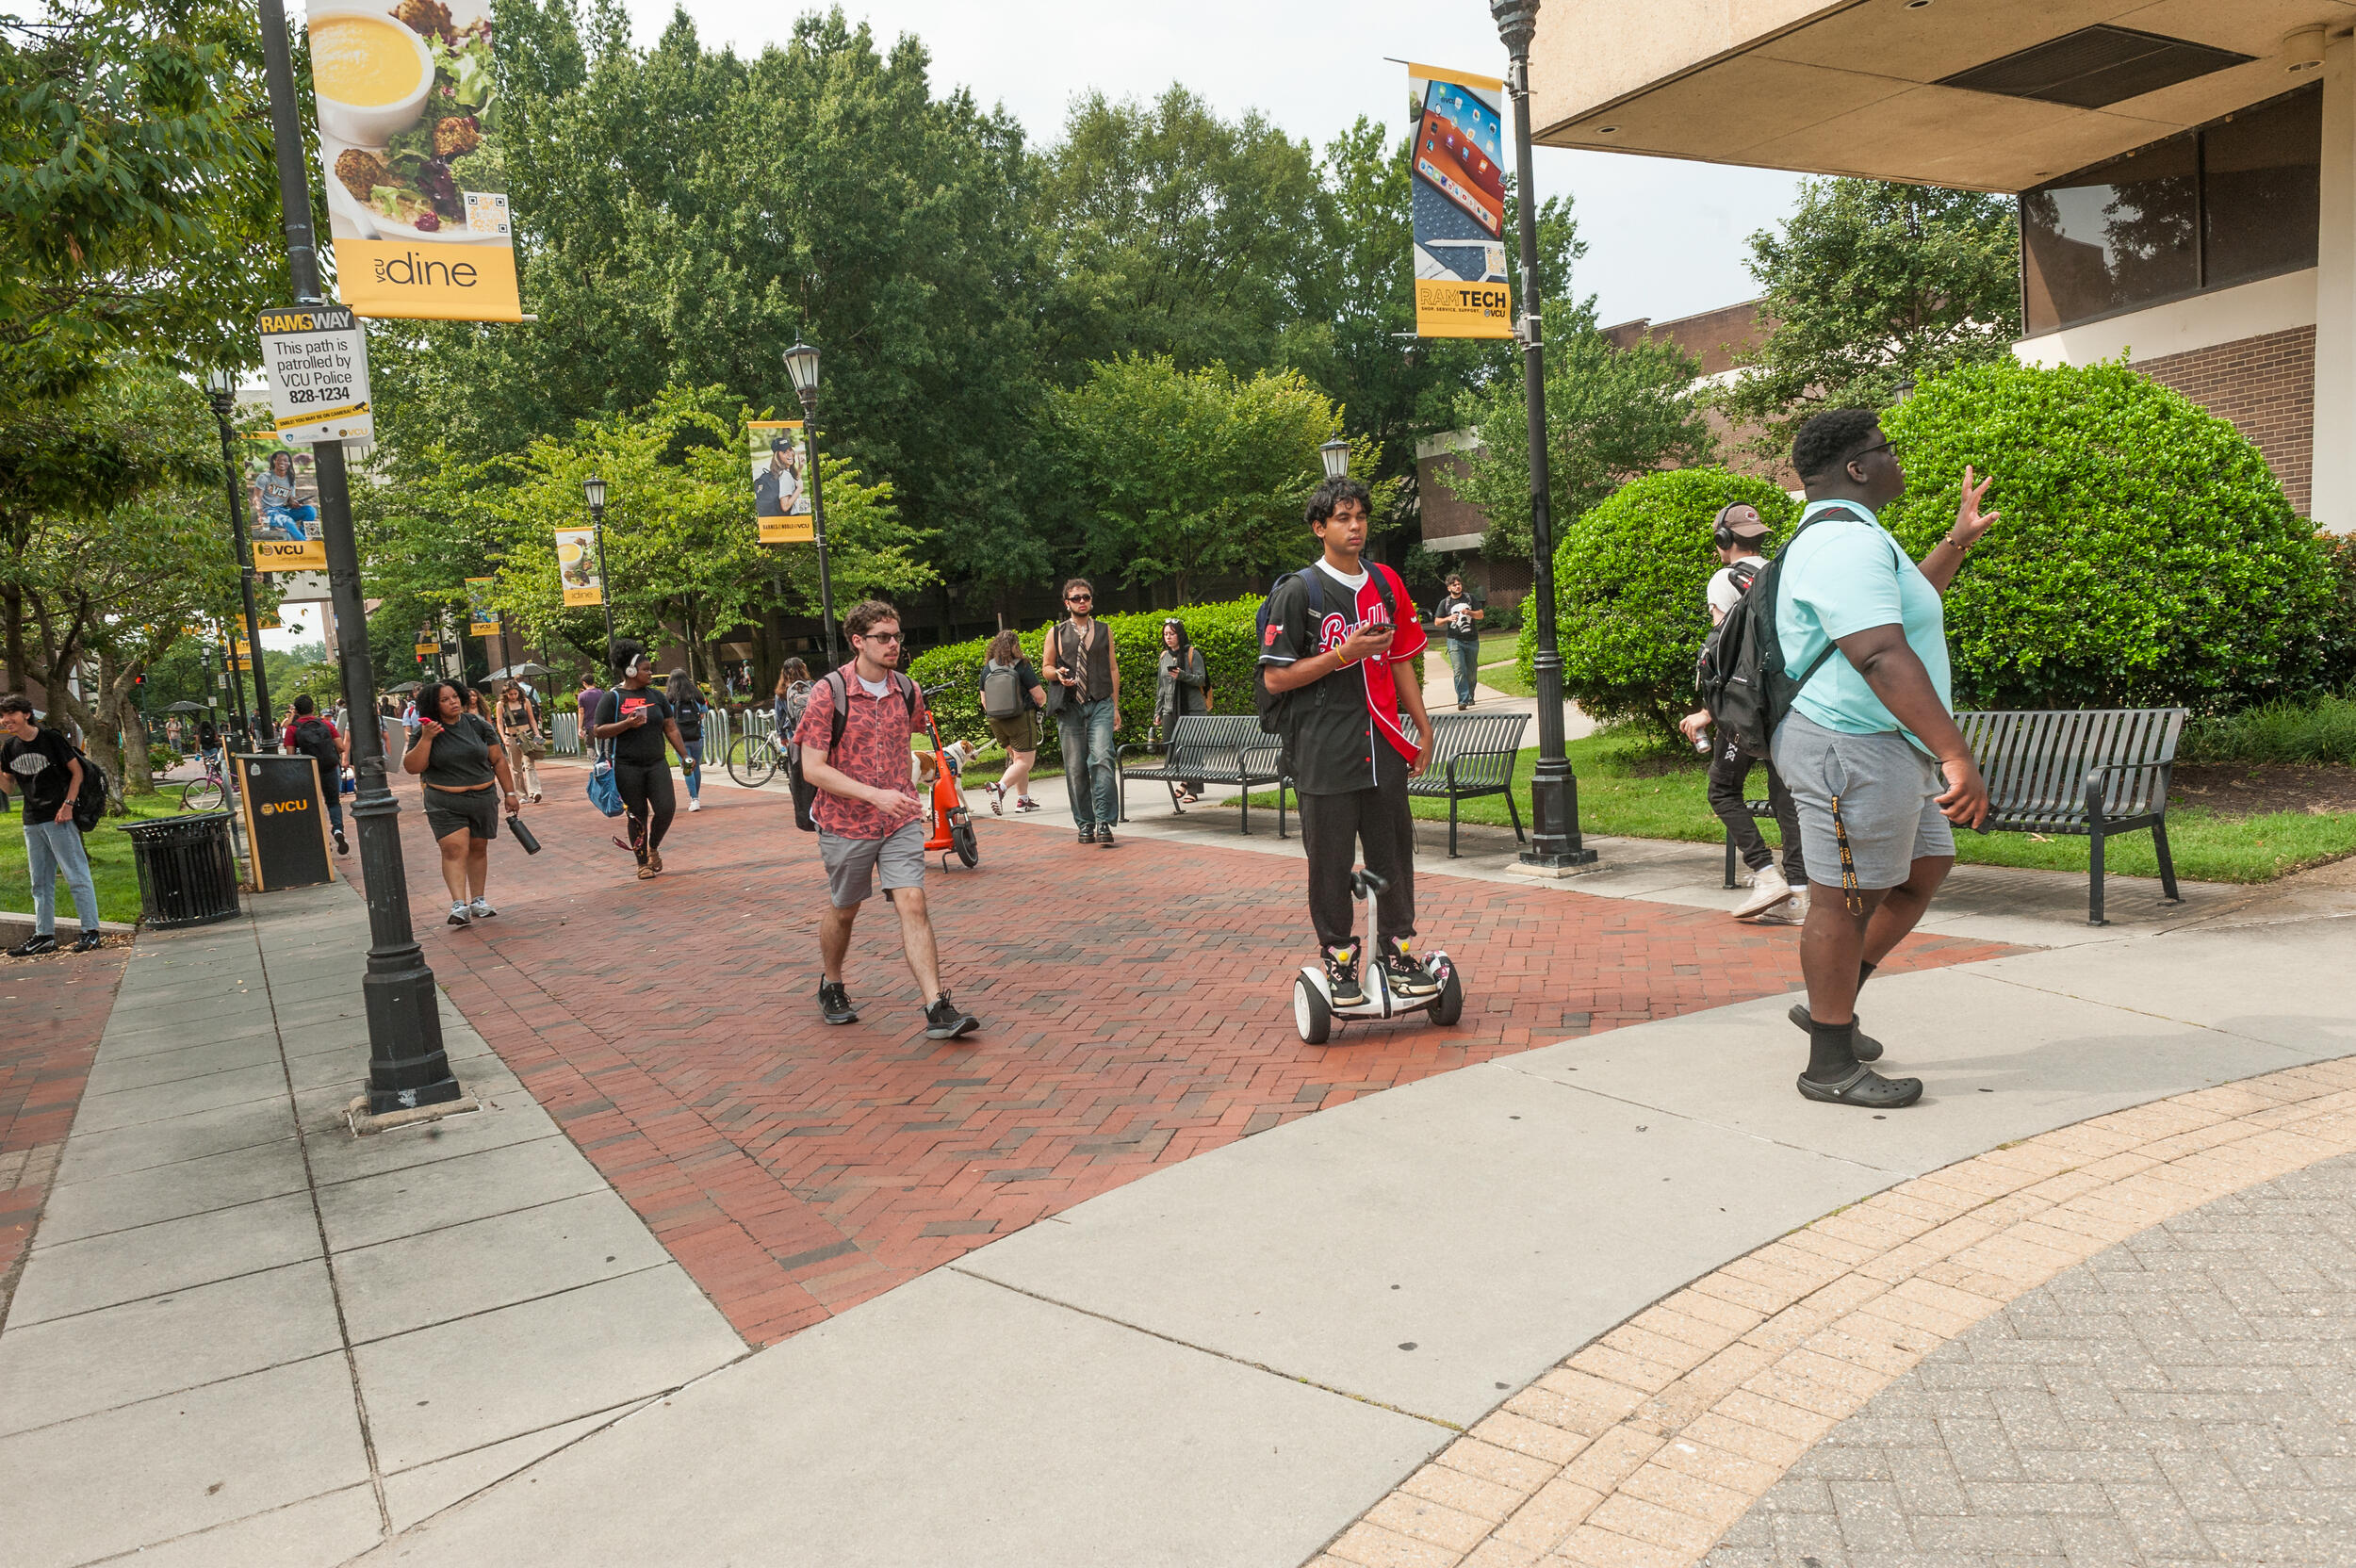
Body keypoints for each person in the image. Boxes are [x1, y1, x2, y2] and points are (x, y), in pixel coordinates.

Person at [1774, 407, 1998, 1111]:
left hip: (1882, 746)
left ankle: (1832, 999)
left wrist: (1955, 543)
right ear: (1856, 467)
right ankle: (1830, 1065)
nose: (1897, 459)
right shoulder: (1842, 544)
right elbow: (1876, 651)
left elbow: (1908, 607)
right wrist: (1956, 754)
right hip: (1848, 745)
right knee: (1844, 899)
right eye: (1886, 449)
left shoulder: (1862, 536)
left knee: (1922, 868)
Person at [1259, 476, 1438, 1009]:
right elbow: (1275, 679)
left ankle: (1400, 952)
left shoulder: (1386, 584)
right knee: (1331, 863)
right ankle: (1338, 958)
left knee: (1393, 854)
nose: (1355, 525)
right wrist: (1345, 653)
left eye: (1360, 516)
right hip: (1322, 750)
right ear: (1320, 528)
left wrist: (1422, 727)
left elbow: (1402, 658)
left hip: (1382, 744)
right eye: (1342, 518)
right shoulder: (1299, 591)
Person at [792, 599, 979, 1040]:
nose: (894, 644)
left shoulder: (907, 690)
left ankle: (937, 1006)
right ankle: (832, 984)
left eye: (897, 636)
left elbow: (905, 743)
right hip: (845, 823)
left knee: (913, 902)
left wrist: (906, 790)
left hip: (898, 823)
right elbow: (812, 768)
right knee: (845, 910)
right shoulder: (828, 692)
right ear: (858, 642)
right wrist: (873, 794)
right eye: (883, 637)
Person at [1677, 504, 1808, 921]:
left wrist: (1707, 713)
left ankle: (1767, 876)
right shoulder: (1779, 574)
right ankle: (1801, 896)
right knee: (1784, 797)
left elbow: (1728, 659)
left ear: (1723, 541)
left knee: (1722, 789)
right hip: (1787, 708)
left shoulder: (1724, 580)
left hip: (1744, 714)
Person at [401, 679, 520, 925]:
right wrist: (427, 738)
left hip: (482, 797)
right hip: (444, 800)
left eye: (454, 696)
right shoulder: (426, 730)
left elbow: (498, 760)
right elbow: (413, 767)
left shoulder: (477, 724)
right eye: (444, 700)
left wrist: (510, 793)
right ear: (433, 706)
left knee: (478, 848)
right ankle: (459, 904)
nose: (452, 702)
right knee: (454, 849)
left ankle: (478, 900)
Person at [0, 695, 102, 956]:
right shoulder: (9, 748)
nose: (4, 720)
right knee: (40, 882)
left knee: (76, 875)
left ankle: (90, 932)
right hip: (32, 820)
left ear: (26, 714)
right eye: (2, 716)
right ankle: (44, 935)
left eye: (9, 714)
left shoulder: (51, 740)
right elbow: (9, 787)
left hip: (59, 817)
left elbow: (77, 772)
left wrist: (68, 804)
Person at [590, 642, 691, 878]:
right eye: (646, 669)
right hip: (627, 766)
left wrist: (685, 755)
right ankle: (642, 862)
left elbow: (671, 727)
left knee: (666, 808)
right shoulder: (612, 698)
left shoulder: (656, 696)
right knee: (637, 814)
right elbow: (598, 730)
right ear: (631, 671)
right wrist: (626, 724)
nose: (650, 673)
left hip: (657, 763)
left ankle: (653, 846)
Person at [1039, 577, 1120, 847]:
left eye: (1086, 597)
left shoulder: (1104, 629)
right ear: (1067, 603)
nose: (1082, 602)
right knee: (1075, 767)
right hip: (1070, 706)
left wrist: (1115, 706)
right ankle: (1085, 823)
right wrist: (1057, 675)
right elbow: (1046, 667)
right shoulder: (1056, 632)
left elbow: (1112, 669)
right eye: (1076, 598)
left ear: (1091, 600)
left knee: (1102, 759)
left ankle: (1104, 821)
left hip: (1100, 702)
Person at [976, 630, 1045, 815]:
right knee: (1025, 762)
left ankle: (1023, 800)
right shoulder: (1022, 666)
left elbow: (984, 702)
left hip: (997, 722)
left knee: (1017, 761)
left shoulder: (987, 669)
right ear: (1015, 646)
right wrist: (1042, 704)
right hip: (1021, 719)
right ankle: (1000, 788)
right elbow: (1039, 695)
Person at [281, 694, 352, 855]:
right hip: (329, 766)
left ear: (296, 710)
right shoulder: (326, 724)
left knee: (312, 803)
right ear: (313, 708)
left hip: (307, 770)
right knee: (333, 802)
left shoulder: (293, 729)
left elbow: (290, 755)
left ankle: (319, 838)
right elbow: (341, 747)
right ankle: (338, 830)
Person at [1153, 617, 1209, 802]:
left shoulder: (1192, 654)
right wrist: (1158, 712)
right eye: (1165, 634)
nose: (1168, 637)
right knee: (1172, 746)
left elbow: (1202, 679)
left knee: (1193, 749)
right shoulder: (1164, 656)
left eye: (1172, 634)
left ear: (1180, 634)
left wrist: (1183, 676)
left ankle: (1193, 789)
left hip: (1193, 709)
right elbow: (1161, 686)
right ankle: (1184, 779)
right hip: (1170, 709)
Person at [1432, 573, 1484, 710]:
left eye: (1459, 584)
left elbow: (1481, 615)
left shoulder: (1470, 598)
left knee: (1472, 672)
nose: (1457, 586)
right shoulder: (1445, 603)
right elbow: (1437, 622)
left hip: (1472, 640)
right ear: (1449, 588)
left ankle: (1470, 696)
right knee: (1459, 670)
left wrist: (1469, 612)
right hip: (1454, 641)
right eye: (1454, 585)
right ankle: (1462, 700)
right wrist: (1448, 619)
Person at [665, 669, 708, 811]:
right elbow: (703, 713)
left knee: (687, 767)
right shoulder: (696, 695)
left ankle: (694, 798)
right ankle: (697, 797)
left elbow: (668, 718)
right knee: (696, 766)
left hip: (680, 739)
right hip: (697, 735)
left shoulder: (670, 697)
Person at [252, 449, 318, 540]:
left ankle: (302, 537)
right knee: (287, 520)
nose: (282, 462)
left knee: (311, 510)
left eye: (285, 460)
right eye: (279, 460)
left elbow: (290, 500)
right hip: (269, 512)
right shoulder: (265, 477)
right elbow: (256, 499)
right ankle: (304, 543)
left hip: (284, 510)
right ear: (274, 461)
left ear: (289, 463)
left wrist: (294, 503)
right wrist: (260, 514)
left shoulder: (291, 479)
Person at [497, 680, 544, 804]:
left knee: (529, 764)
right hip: (511, 737)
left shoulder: (525, 702)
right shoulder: (501, 705)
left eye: (515, 694)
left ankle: (535, 792)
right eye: (510, 694)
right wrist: (503, 737)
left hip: (526, 736)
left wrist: (537, 734)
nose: (513, 696)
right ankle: (522, 794)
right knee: (516, 767)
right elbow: (500, 723)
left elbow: (532, 720)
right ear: (505, 693)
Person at [755, 436, 804, 516]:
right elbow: (785, 506)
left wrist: (799, 469)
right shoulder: (785, 476)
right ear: (777, 456)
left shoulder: (778, 472)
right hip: (793, 520)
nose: (790, 454)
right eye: (784, 452)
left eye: (790, 450)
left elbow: (794, 483)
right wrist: (799, 489)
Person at [575, 672, 602, 753]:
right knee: (602, 746)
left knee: (590, 745)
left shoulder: (582, 696)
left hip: (589, 726)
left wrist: (579, 728)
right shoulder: (601, 692)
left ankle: (594, 761)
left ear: (584, 683)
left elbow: (581, 712)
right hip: (601, 724)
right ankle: (604, 763)